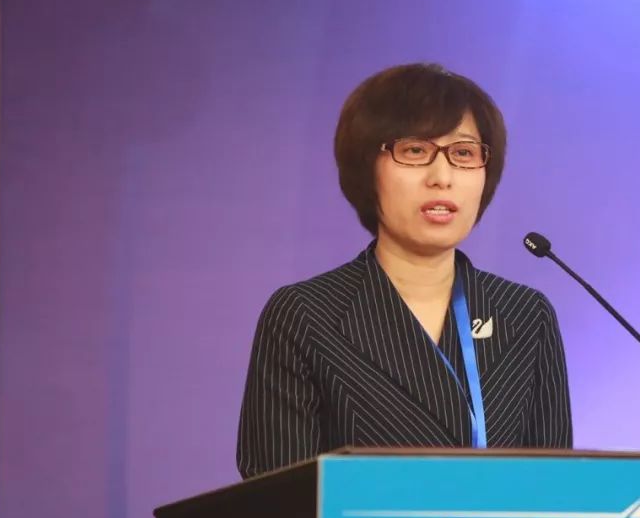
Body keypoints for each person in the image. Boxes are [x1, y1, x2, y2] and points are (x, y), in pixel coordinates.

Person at [236, 63, 573, 479]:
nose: (442, 177)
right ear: (366, 168)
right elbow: (279, 498)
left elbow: (556, 489)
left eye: (463, 153)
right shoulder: (305, 315)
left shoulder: (525, 315)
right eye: (415, 151)